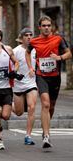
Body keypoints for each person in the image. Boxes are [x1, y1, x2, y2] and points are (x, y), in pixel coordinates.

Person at [26, 16, 72, 148]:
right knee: (45, 104)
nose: (46, 28)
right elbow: (27, 52)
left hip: (55, 76)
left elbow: (69, 53)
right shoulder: (34, 40)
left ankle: (46, 125)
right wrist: (30, 67)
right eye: (44, 25)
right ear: (39, 27)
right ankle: (46, 136)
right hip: (41, 76)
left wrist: (60, 57)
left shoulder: (58, 38)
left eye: (49, 25)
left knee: (51, 106)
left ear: (51, 27)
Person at [12, 28, 38, 145]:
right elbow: (10, 67)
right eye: (26, 35)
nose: (29, 37)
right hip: (18, 84)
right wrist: (15, 75)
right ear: (21, 38)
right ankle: (5, 105)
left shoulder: (35, 50)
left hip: (31, 83)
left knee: (32, 107)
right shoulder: (16, 51)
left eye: (30, 35)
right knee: (19, 112)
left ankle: (28, 135)